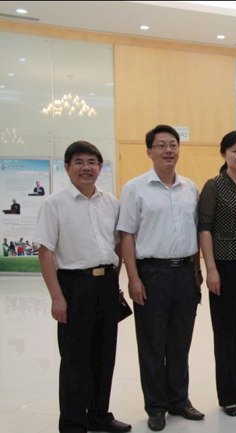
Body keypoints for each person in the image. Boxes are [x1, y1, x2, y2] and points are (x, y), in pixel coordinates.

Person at [33, 141, 131, 433]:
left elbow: (118, 245)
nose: (86, 168)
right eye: (78, 162)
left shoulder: (111, 202)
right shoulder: (54, 204)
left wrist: (115, 281)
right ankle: (73, 423)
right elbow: (46, 253)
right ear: (66, 168)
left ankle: (99, 416)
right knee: (75, 359)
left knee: (105, 354)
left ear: (100, 168)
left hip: (106, 285)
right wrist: (57, 297)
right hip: (74, 286)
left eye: (92, 162)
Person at [117, 125, 204, 432]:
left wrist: (197, 272)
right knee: (153, 343)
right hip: (152, 273)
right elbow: (127, 236)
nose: (169, 150)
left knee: (180, 342)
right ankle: (156, 406)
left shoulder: (190, 188)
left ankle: (179, 400)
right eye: (161, 145)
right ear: (149, 151)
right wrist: (133, 278)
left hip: (184, 273)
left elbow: (196, 233)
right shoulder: (135, 188)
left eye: (173, 145)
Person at [198, 131, 236, 417]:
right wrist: (210, 268)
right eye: (235, 150)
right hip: (223, 267)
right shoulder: (214, 186)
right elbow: (204, 228)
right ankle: (229, 396)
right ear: (224, 154)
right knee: (225, 334)